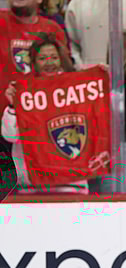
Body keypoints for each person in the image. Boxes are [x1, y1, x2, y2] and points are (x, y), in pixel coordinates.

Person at [1, 35, 86, 194]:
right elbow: (10, 136)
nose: (49, 63)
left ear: (61, 60)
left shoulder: (77, 90)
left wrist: (102, 81)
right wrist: (13, 105)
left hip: (71, 186)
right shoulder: (23, 92)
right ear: (33, 63)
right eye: (42, 58)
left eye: (54, 57)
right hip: (31, 188)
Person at [0, 0, 68, 156]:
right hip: (6, 123)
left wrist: (96, 76)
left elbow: (67, 76)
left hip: (40, 128)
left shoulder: (53, 29)